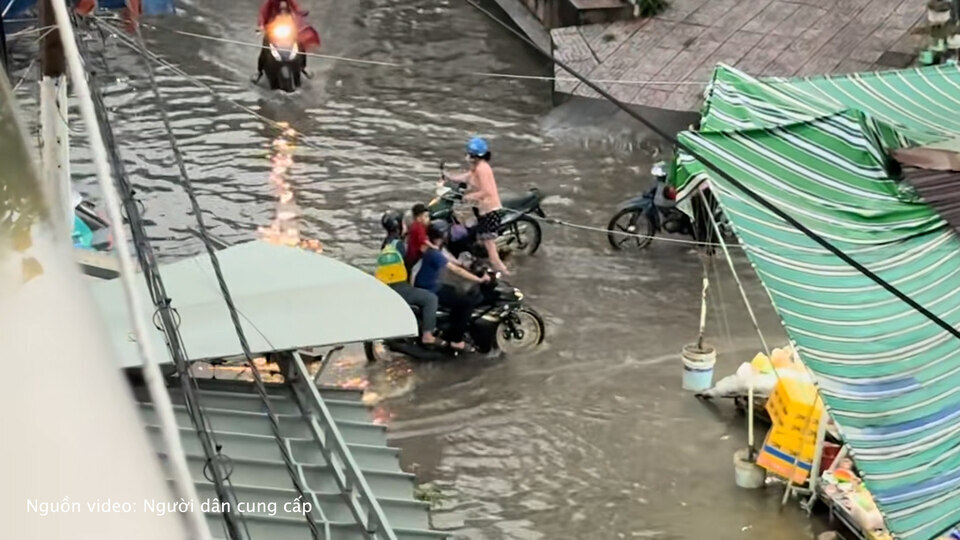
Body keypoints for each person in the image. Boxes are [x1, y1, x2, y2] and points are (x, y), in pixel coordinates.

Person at [413, 220, 489, 352]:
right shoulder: (435, 253)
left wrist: (468, 265)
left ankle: (451, 326)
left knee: (455, 290)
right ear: (443, 235)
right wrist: (479, 279)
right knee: (467, 303)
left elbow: (453, 262)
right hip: (431, 289)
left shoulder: (431, 248)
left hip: (427, 285)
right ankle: (456, 340)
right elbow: (456, 270)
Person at [445, 137, 509, 274]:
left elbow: (486, 191)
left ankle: (506, 274)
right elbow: (466, 177)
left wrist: (468, 197)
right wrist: (448, 176)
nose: (467, 157)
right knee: (473, 233)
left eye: (470, 154)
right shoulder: (476, 168)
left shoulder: (482, 169)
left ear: (475, 156)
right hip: (480, 211)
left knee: (493, 256)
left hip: (489, 213)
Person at [375, 210, 439, 346]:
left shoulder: (386, 244)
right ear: (400, 225)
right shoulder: (400, 245)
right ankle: (428, 334)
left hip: (385, 287)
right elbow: (411, 262)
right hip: (398, 287)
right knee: (430, 299)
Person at [253, 0, 321, 83]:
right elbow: (263, 14)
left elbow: (296, 7)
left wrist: (301, 12)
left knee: (300, 43)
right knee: (265, 47)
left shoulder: (290, 1)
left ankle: (303, 67)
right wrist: (261, 26)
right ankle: (259, 71)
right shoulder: (270, 2)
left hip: (288, 28)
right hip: (272, 30)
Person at [405, 203, 430, 270]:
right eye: (426, 216)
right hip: (414, 257)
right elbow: (423, 240)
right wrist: (433, 246)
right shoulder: (418, 227)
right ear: (419, 218)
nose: (428, 219)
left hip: (411, 255)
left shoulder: (417, 225)